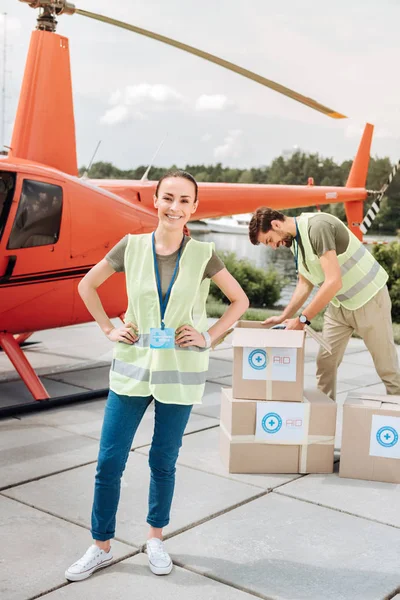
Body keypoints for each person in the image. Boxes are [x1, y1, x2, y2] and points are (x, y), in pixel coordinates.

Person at [65, 170, 249, 582]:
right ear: (156, 200)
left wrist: (208, 337)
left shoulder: (204, 254)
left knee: (162, 461)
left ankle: (155, 538)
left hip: (180, 373)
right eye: (168, 198)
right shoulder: (130, 247)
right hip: (133, 370)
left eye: (185, 201)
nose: (175, 207)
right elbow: (86, 286)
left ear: (194, 208)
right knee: (109, 461)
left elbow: (240, 301)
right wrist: (108, 328)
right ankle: (100, 545)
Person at [248, 207, 400, 401]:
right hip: (339, 307)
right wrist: (284, 316)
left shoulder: (317, 227)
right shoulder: (295, 242)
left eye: (269, 240)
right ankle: (323, 421)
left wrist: (302, 319)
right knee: (325, 365)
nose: (273, 246)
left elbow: (333, 281)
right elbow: (305, 284)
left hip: (369, 299)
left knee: (387, 369)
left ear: (276, 225)